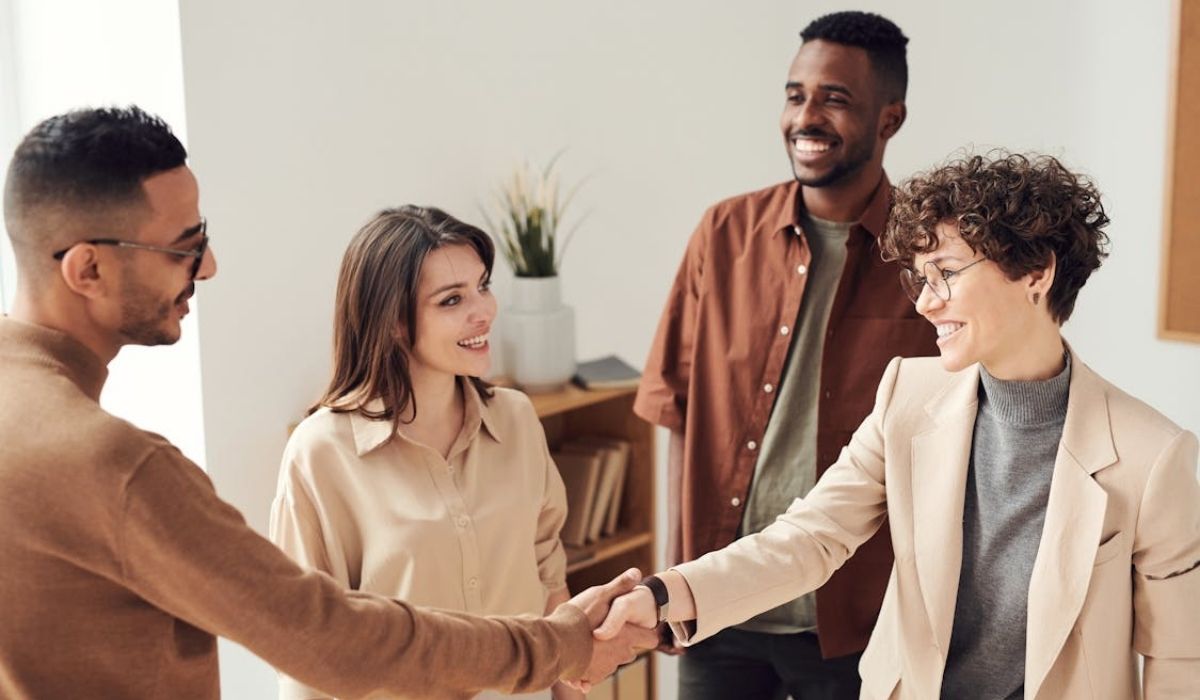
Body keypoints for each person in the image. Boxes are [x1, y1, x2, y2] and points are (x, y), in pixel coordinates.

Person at [0, 105, 656, 699]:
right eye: (184, 248)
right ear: (86, 269)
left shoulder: (513, 419)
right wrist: (560, 644)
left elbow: (542, 560)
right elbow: (327, 640)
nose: (209, 267)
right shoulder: (115, 464)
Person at [600, 152, 1200, 699]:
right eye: (920, 278)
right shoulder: (906, 396)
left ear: (1035, 273)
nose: (925, 302)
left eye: (945, 273)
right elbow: (809, 538)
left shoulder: (1153, 456)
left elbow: (1180, 658)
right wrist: (661, 597)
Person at [634, 11, 935, 698]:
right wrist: (676, 579)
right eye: (796, 95)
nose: (807, 116)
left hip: (855, 618)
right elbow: (678, 412)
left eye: (835, 98)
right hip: (717, 606)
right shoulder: (722, 233)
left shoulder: (926, 259)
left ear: (890, 119)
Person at [269, 206, 583, 700]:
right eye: (452, 300)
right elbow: (306, 647)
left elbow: (548, 576)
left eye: (483, 285)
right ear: (393, 322)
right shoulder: (322, 453)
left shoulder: (517, 420)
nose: (483, 311)